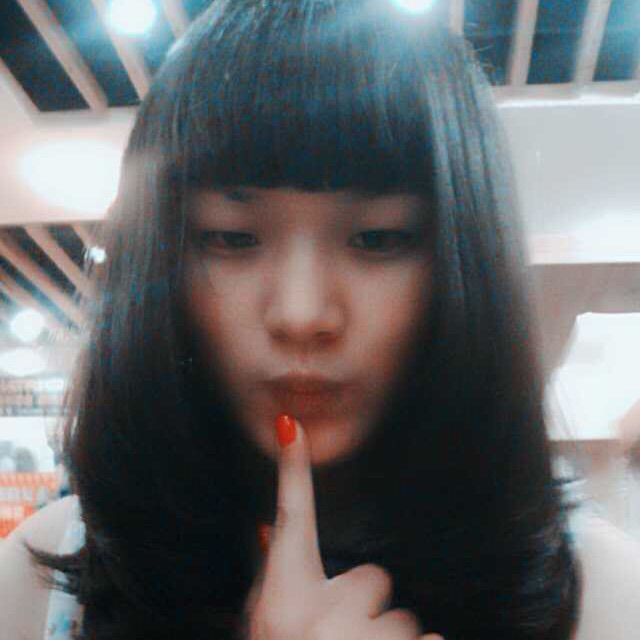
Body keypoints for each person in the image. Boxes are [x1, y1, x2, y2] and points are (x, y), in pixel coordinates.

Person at [1, 1, 639, 639]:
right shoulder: (41, 581)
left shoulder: (605, 597)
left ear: (461, 262)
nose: (302, 314)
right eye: (232, 238)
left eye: (379, 239)